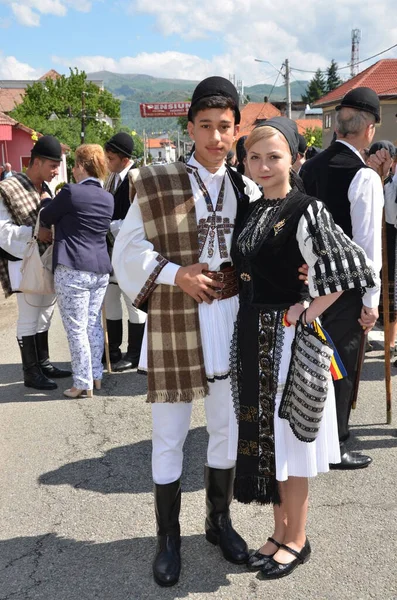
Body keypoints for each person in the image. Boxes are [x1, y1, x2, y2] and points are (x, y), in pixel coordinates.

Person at [112, 76, 262, 587]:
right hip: (180, 314)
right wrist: (176, 274)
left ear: (236, 128)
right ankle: (168, 539)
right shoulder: (157, 181)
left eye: (225, 127)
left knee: (227, 426)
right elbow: (127, 250)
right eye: (205, 127)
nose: (216, 138)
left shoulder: (247, 185)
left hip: (231, 315)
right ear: (190, 127)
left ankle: (218, 523)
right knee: (170, 435)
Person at [231, 118, 378, 579]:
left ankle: (298, 538)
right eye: (254, 157)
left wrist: (308, 308)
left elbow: (355, 265)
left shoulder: (307, 208)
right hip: (252, 335)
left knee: (290, 441)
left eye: (273, 156)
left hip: (288, 341)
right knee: (268, 442)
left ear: (294, 158)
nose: (263, 165)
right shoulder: (253, 209)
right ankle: (278, 532)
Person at [300, 87, 384, 469]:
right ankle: (335, 444)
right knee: (340, 366)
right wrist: (371, 303)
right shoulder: (363, 177)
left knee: (311, 361)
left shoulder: (310, 167)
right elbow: (367, 250)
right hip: (346, 289)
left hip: (308, 283)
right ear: (369, 129)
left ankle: (309, 435)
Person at [40, 144, 113, 398]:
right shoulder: (107, 196)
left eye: (74, 165)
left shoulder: (71, 192)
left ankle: (82, 383)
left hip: (73, 267)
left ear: (82, 166)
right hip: (100, 268)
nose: (72, 170)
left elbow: (48, 215)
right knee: (92, 325)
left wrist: (47, 199)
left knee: (76, 328)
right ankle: (95, 376)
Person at [0, 136, 71, 390]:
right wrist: (34, 232)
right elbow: (2, 232)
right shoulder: (9, 188)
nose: (55, 172)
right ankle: (31, 372)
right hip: (22, 262)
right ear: (37, 161)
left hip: (44, 260)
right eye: (52, 166)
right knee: (29, 315)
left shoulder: (43, 187)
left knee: (44, 313)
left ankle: (43, 363)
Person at [103, 133, 147, 371]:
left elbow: (138, 220)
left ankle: (136, 353)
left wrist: (107, 226)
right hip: (110, 251)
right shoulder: (112, 178)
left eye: (110, 158)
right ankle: (112, 351)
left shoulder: (136, 178)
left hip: (131, 251)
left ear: (123, 158)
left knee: (133, 303)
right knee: (110, 300)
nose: (107, 162)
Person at [368, 141, 396, 357]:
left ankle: (390, 343)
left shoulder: (390, 182)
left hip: (391, 242)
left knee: (392, 296)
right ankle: (388, 342)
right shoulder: (371, 179)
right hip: (381, 245)